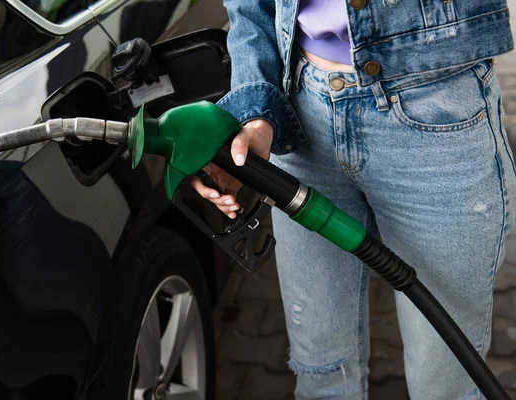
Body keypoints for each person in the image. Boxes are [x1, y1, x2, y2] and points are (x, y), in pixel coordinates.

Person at [191, 1, 515, 399]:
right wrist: (254, 113)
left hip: (434, 112)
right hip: (301, 112)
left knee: (447, 383)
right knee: (322, 374)